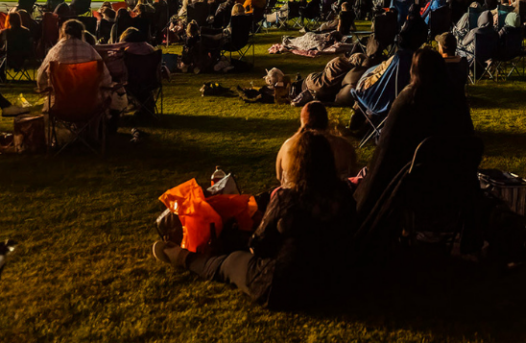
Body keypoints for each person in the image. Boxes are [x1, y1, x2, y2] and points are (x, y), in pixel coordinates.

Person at [153, 131, 357, 310]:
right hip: (332, 285)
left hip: (283, 288)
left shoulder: (287, 198)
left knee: (227, 264)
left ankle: (179, 255)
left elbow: (259, 245)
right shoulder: (344, 195)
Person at [355, 49, 474, 217]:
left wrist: (363, 200)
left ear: (414, 71)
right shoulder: (457, 101)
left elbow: (385, 155)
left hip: (414, 192)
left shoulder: (408, 102)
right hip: (456, 189)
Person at [277, 101, 358, 185]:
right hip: (333, 196)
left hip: (296, 196)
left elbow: (279, 177)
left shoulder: (287, 146)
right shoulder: (344, 146)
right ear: (326, 120)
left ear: (302, 122)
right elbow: (352, 175)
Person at [36, 18, 113, 106]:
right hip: (89, 104)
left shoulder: (55, 52)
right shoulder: (90, 51)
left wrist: (47, 88)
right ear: (81, 33)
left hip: (60, 104)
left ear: (63, 32)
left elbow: (41, 78)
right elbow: (105, 78)